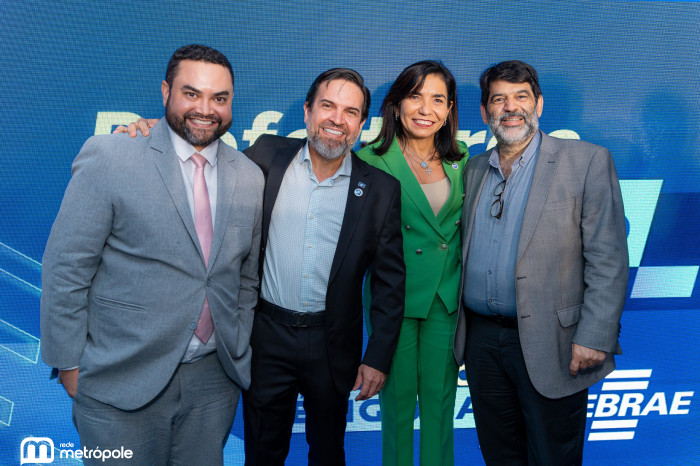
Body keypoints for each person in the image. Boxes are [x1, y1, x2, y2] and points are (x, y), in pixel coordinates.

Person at [118, 68, 406, 465]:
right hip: (266, 337)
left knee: (328, 453)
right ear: (307, 111)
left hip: (332, 343)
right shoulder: (266, 155)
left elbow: (390, 285)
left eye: (350, 111)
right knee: (262, 452)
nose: (337, 119)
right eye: (327, 106)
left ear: (361, 124)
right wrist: (161, 132)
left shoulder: (381, 190)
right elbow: (203, 153)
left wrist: (377, 357)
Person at [40, 44, 264, 465]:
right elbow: (66, 267)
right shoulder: (112, 155)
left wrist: (236, 347)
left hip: (213, 383)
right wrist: (69, 364)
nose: (205, 109)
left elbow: (246, 278)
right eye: (191, 93)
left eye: (219, 98)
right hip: (119, 380)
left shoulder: (250, 176)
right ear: (165, 92)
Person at [453, 60, 628, 465]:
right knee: (499, 455)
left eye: (521, 97)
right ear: (484, 111)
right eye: (499, 99)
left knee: (553, 457)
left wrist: (595, 335)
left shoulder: (586, 161)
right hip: (482, 343)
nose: (510, 108)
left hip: (554, 341)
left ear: (539, 104)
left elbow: (608, 258)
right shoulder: (474, 169)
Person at [357, 61, 467, 466]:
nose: (426, 109)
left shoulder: (462, 158)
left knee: (440, 410)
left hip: (445, 301)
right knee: (397, 411)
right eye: (415, 97)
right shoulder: (369, 160)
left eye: (438, 99)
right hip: (394, 304)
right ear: (396, 104)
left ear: (449, 109)